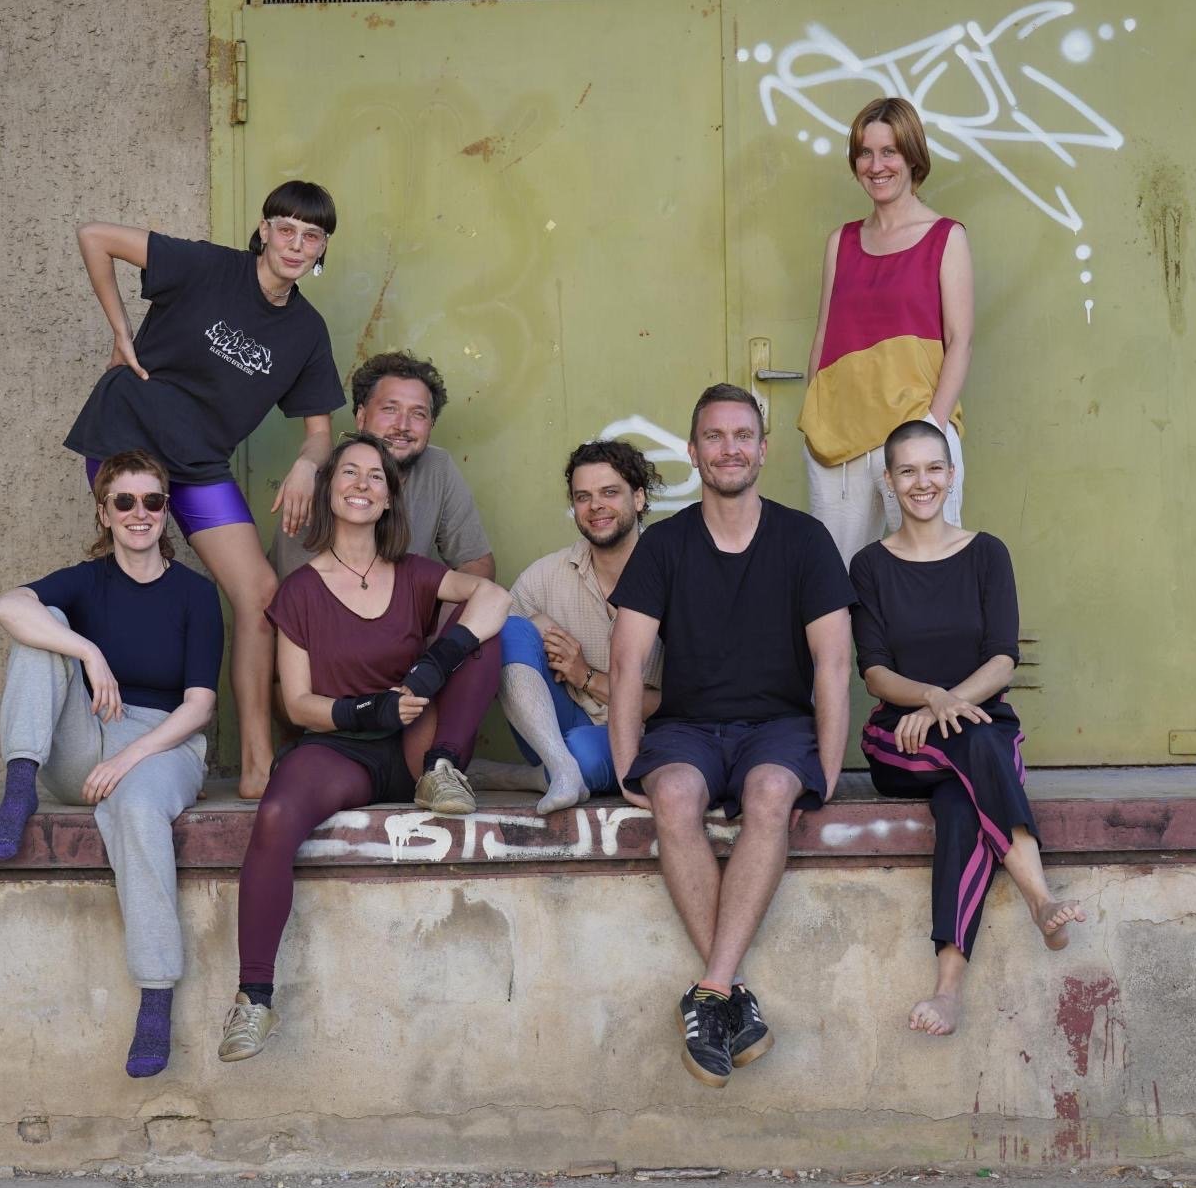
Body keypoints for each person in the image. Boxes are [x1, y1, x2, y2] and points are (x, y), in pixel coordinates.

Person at [220, 434, 511, 1062]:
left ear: (388, 497)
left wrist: (432, 667)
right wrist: (364, 710)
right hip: (340, 748)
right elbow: (296, 703)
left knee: (485, 634)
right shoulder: (300, 590)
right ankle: (254, 998)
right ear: (329, 491)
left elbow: (496, 597)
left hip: (415, 742)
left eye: (375, 476)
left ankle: (443, 770)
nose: (361, 484)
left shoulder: (416, 573)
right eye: (348, 472)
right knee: (275, 815)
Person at [64, 181, 346, 800]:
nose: (296, 244)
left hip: (197, 461)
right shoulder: (207, 266)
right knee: (140, 573)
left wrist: (307, 465)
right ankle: (109, 739)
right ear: (264, 231)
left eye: (312, 236)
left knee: (260, 593)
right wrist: (120, 332)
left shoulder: (306, 331)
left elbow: (321, 433)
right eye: (286, 229)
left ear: (322, 248)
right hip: (128, 435)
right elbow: (95, 237)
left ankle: (257, 765)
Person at [608, 385, 854, 1088]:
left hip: (778, 725)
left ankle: (711, 989)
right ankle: (729, 992)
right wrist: (627, 767)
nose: (729, 449)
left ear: (763, 450)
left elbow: (835, 664)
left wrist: (828, 767)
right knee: (674, 794)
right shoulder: (664, 544)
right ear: (693, 452)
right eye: (714, 437)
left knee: (772, 790)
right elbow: (626, 662)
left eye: (743, 435)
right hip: (687, 726)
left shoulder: (805, 540)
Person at [0, 450, 223, 1078]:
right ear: (104, 512)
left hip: (163, 743)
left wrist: (133, 756)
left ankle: (156, 995)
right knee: (42, 626)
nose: (140, 513)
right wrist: (87, 651)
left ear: (165, 511)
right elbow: (6, 606)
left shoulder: (196, 594)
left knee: (136, 807)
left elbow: (199, 707)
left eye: (152, 501)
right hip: (88, 738)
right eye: (125, 501)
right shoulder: (87, 582)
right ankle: (20, 786)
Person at [852, 418, 1085, 1038]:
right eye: (907, 470)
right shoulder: (870, 565)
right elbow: (875, 672)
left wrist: (945, 706)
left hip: (978, 727)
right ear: (888, 481)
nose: (922, 481)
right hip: (901, 740)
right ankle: (1039, 895)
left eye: (934, 467)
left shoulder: (987, 554)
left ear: (952, 475)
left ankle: (947, 989)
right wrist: (930, 700)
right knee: (978, 746)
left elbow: (1003, 658)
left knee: (961, 804)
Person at [797, 97, 975, 567]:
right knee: (834, 578)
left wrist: (932, 428)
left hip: (915, 430)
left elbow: (960, 341)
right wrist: (815, 415)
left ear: (913, 157)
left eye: (889, 152)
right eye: (865, 153)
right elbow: (824, 336)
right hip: (839, 439)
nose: (876, 166)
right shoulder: (841, 242)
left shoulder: (946, 237)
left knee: (928, 572)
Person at [491, 439, 665, 815]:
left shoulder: (672, 572)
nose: (595, 506)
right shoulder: (548, 574)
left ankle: (529, 776)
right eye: (583, 497)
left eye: (609, 492)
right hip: (557, 728)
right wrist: (535, 626)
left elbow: (669, 705)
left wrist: (584, 675)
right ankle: (561, 768)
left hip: (645, 734)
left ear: (638, 498)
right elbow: (495, 650)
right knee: (509, 629)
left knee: (584, 751)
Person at [271, 350, 494, 581]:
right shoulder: (317, 478)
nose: (402, 425)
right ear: (361, 417)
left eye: (418, 414)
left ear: (432, 424)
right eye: (390, 409)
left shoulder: (438, 467)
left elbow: (477, 563)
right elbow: (299, 593)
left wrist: (450, 604)